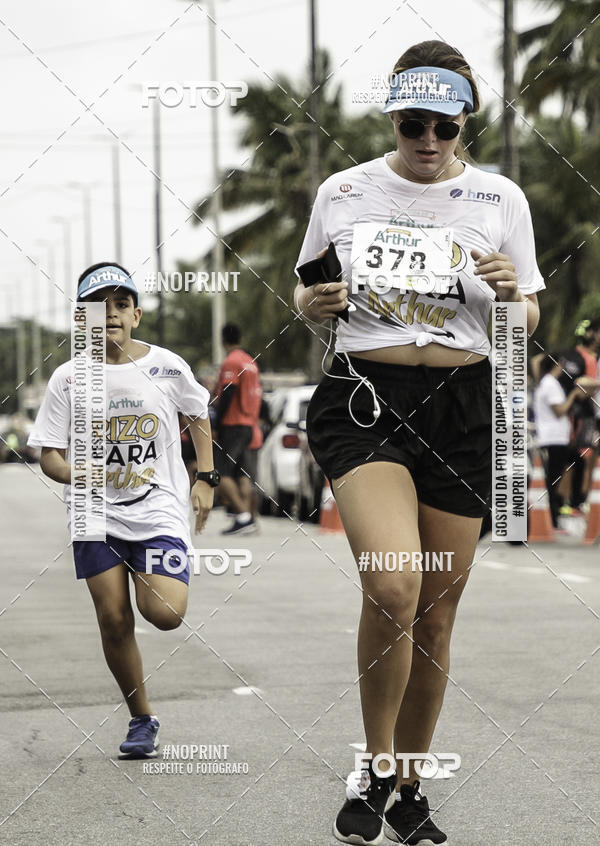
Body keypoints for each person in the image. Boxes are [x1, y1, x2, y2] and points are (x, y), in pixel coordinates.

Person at [295, 41, 544, 845]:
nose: (428, 140)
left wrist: (513, 297)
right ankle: (370, 763)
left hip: (464, 404)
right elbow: (308, 289)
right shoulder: (345, 190)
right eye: (413, 124)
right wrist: (314, 302)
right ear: (394, 119)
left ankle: (409, 783)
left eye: (444, 125)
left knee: (435, 617)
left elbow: (527, 317)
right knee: (395, 587)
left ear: (465, 121)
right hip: (366, 400)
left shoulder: (499, 196)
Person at [27, 262, 219, 758]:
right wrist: (77, 474)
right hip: (94, 514)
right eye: (97, 307)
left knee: (166, 613)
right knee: (113, 619)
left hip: (157, 509)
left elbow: (197, 411)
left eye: (119, 305)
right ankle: (141, 719)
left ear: (135, 314)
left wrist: (206, 477)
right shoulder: (68, 379)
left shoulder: (166, 366)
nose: (109, 315)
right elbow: (49, 454)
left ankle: (145, 569)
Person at [533, 354, 598, 528]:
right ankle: (556, 512)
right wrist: (573, 396)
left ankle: (566, 504)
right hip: (553, 438)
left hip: (555, 437)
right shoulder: (551, 384)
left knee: (574, 463)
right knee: (554, 476)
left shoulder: (547, 382)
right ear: (558, 365)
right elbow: (559, 411)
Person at [214, 323, 262, 534]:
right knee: (242, 473)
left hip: (233, 424)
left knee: (220, 472)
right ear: (240, 338)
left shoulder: (231, 362)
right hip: (249, 424)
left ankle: (243, 517)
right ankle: (249, 518)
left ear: (223, 339)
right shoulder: (250, 362)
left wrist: (217, 423)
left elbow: (228, 392)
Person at [557, 318, 600, 514]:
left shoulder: (568, 355)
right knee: (582, 458)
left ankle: (571, 501)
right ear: (592, 334)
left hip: (570, 414)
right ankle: (576, 501)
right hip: (581, 415)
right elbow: (585, 388)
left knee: (574, 458)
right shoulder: (588, 358)